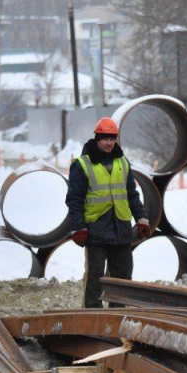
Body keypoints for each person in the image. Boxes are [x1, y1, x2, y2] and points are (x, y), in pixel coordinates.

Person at [65, 117, 151, 308]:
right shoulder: (82, 165)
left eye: (112, 138)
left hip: (121, 229)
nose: (109, 142)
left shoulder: (123, 163)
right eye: (105, 138)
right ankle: (92, 320)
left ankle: (116, 319)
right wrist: (78, 227)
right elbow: (74, 200)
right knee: (95, 279)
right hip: (95, 230)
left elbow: (132, 194)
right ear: (97, 138)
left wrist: (142, 219)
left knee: (123, 279)